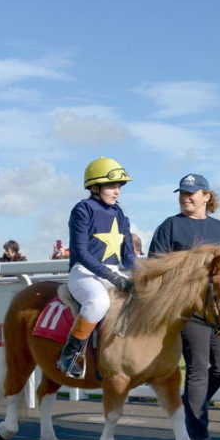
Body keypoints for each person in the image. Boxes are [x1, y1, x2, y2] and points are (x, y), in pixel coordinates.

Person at [149, 173, 220, 440]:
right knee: (198, 368)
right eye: (182, 193)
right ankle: (199, 433)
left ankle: (189, 408)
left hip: (217, 310)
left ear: (206, 196)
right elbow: (154, 267)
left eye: (191, 193)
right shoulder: (170, 226)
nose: (185, 197)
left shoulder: (219, 230)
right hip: (187, 311)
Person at [55, 157, 135, 379]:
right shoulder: (83, 209)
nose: (117, 191)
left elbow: (128, 256)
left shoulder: (121, 214)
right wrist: (111, 275)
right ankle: (69, 355)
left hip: (112, 273)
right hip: (84, 273)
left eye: (119, 186)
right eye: (111, 186)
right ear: (94, 187)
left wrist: (144, 274)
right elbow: (81, 253)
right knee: (99, 302)